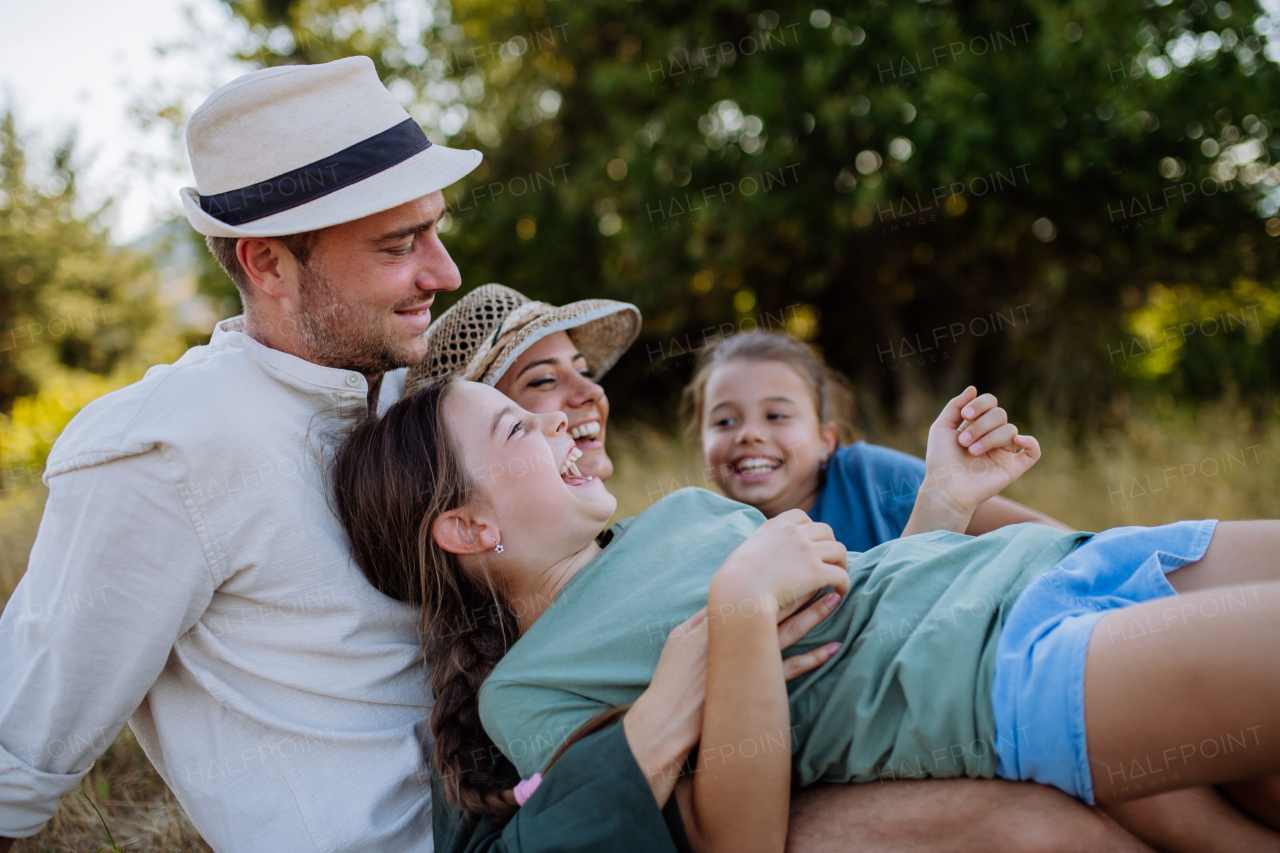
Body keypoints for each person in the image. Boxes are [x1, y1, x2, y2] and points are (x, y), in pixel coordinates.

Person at [332, 376, 1280, 853]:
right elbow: (736, 832)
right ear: (467, 524)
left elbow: (860, 591)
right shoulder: (530, 693)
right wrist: (740, 607)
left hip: (1046, 566)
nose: (559, 421)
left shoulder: (680, 514)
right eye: (515, 426)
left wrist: (945, 501)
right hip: (992, 679)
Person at [0, 57, 485, 852]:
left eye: (436, 229)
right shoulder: (163, 449)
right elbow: (16, 755)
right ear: (267, 263)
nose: (445, 271)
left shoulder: (419, 389)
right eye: (400, 245)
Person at [684, 330, 1280, 851]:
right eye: (725, 420)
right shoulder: (716, 547)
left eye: (777, 415)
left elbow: (1045, 539)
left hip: (1027, 610)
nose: (749, 435)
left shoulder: (869, 478)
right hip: (948, 691)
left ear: (826, 439)